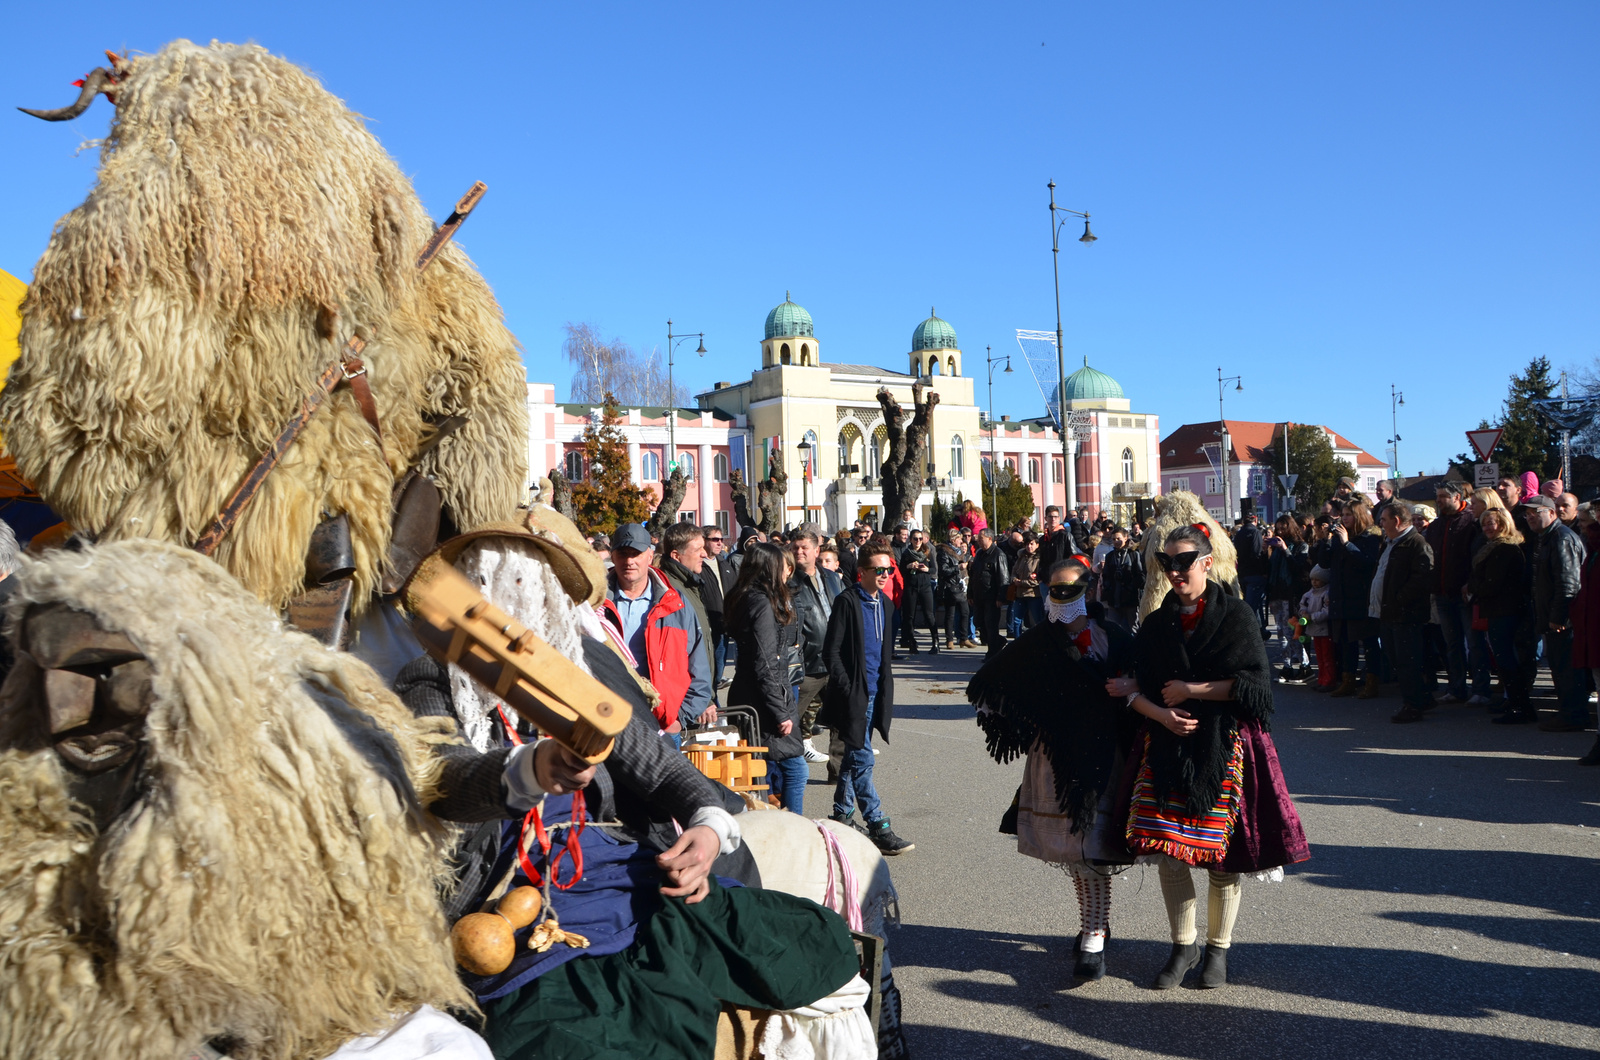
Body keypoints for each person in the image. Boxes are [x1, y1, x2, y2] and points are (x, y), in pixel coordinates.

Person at [1122, 525, 1310, 990]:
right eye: (1167, 562)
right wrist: (1163, 714)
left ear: (1207, 562)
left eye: (1184, 561)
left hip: (1224, 743)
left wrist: (1191, 690)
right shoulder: (1156, 623)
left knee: (1221, 857)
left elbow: (1255, 686)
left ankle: (1218, 951)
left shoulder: (1238, 615)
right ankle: (1182, 945)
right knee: (1170, 853)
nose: (1175, 571)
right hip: (1167, 743)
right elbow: (1140, 684)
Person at [968, 557, 1138, 981]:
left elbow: (1143, 681)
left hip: (1102, 755)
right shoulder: (1037, 641)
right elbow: (990, 683)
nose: (1062, 598)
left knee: (1091, 851)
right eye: (1055, 590)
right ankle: (1092, 926)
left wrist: (1130, 690)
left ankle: (1094, 934)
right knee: (1074, 854)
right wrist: (1027, 718)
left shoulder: (1113, 637)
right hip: (1054, 759)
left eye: (1072, 589)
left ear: (1090, 588)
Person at [820, 537, 913, 854]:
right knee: (862, 760)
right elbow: (830, 653)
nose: (886, 575)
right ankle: (877, 825)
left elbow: (884, 656)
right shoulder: (847, 602)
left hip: (876, 693)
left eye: (889, 569)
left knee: (853, 759)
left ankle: (842, 814)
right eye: (879, 570)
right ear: (862, 572)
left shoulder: (886, 605)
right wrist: (847, 689)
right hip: (854, 696)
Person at [600, 523, 713, 745]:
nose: (629, 561)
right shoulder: (594, 603)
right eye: (623, 553)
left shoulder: (675, 603)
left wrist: (679, 717)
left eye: (636, 553)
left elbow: (698, 664)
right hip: (608, 719)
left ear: (650, 556)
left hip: (662, 726)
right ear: (613, 557)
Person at [725, 542, 807, 813]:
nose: (787, 571)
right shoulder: (760, 603)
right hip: (763, 701)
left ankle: (772, 826)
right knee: (794, 768)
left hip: (751, 694)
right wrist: (780, 711)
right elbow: (766, 663)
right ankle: (792, 830)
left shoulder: (743, 595)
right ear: (770, 569)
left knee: (759, 768)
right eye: (783, 566)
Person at [1521, 495, 1590, 732]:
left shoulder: (1561, 539)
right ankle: (1569, 712)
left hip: (1562, 619)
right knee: (1560, 668)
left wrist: (1558, 617)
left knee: (1567, 669)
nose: (1530, 517)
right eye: (1527, 514)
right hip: (1554, 616)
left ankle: (1573, 715)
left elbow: (1568, 584)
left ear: (1551, 513)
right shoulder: (1548, 538)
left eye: (1535, 512)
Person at [1426, 482, 1492, 706]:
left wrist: (1470, 584)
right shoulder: (1435, 526)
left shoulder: (1471, 523)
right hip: (1442, 593)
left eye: (1444, 496)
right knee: (1451, 645)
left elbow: (1477, 558)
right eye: (1438, 496)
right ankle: (1456, 688)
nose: (1440, 500)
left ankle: (1481, 689)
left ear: (1457, 497)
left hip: (1465, 594)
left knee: (1474, 644)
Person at [1373, 500, 1437, 723]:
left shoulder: (1416, 543)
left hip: (1405, 613)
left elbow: (1422, 577)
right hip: (1388, 611)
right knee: (1396, 658)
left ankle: (1413, 705)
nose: (1380, 524)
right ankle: (1422, 697)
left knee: (1406, 661)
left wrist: (1400, 599)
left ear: (1396, 521)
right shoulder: (1391, 543)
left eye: (1383, 520)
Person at [1466, 507, 1531, 722]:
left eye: (1491, 523)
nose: (1487, 528)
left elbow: (1490, 584)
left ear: (1503, 524)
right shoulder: (1493, 548)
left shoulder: (1505, 549)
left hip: (1505, 611)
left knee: (1507, 660)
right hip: (1498, 610)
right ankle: (1516, 703)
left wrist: (1474, 586)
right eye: (1484, 524)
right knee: (1503, 660)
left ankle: (1519, 706)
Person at [788, 524, 845, 767]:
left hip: (835, 660)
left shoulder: (832, 578)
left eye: (804, 547)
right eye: (795, 548)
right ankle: (789, 775)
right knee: (791, 720)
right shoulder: (788, 582)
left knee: (841, 722)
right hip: (806, 664)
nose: (799, 552)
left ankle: (838, 773)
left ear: (816, 549)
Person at [1328, 499, 1385, 698]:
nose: (1344, 518)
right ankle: (1348, 680)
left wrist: (1347, 544)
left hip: (1360, 597)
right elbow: (1325, 563)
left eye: (1348, 515)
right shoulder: (1338, 537)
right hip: (1340, 597)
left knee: (1368, 642)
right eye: (1342, 515)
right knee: (1345, 642)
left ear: (1358, 516)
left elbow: (1366, 563)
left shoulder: (1369, 538)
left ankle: (1372, 681)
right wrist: (1328, 540)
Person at [658, 522, 716, 681]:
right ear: (676, 556)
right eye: (698, 550)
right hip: (688, 696)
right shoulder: (670, 591)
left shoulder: (690, 584)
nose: (704, 554)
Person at [1266, 517, 1311, 683]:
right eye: (1278, 529)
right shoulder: (1275, 549)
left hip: (1291, 594)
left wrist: (1285, 549)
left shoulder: (1301, 546)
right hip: (1276, 592)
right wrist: (1267, 551)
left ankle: (1304, 664)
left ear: (1291, 528)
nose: (1280, 532)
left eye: (1283, 528)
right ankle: (1287, 665)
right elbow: (1270, 571)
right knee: (1280, 631)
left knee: (1291, 631)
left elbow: (1298, 568)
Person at [701, 523, 736, 689]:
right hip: (707, 626)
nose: (719, 543)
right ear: (704, 541)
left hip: (725, 624)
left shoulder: (724, 563)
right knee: (708, 667)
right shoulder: (698, 566)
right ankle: (712, 701)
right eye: (715, 539)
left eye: (721, 539)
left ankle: (714, 694)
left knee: (719, 665)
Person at [899, 528, 940, 655]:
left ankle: (935, 642)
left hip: (925, 586)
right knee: (910, 616)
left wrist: (926, 569)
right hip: (911, 586)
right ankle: (912, 643)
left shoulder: (927, 551)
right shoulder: (906, 553)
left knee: (929, 615)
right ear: (910, 540)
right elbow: (901, 570)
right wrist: (909, 566)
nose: (918, 541)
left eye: (920, 539)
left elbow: (934, 569)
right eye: (915, 539)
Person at [971, 527, 1012, 656]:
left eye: (981, 538)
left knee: (990, 625)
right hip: (979, 596)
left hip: (991, 597)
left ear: (989, 539)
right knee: (979, 623)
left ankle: (992, 653)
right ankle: (999, 642)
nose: (978, 541)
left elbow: (1003, 577)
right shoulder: (979, 554)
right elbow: (973, 575)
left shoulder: (998, 554)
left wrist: (1001, 597)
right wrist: (970, 594)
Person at [1100, 527, 1145, 633]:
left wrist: (1130, 586)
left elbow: (1140, 575)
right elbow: (1106, 575)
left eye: (1118, 539)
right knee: (1112, 629)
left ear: (1125, 538)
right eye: (1114, 539)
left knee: (1134, 629)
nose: (1116, 542)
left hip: (1130, 600)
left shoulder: (1134, 554)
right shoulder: (1110, 556)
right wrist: (1108, 588)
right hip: (1113, 599)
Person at [937, 528, 976, 648]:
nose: (961, 540)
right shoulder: (944, 552)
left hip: (961, 585)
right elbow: (943, 570)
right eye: (959, 538)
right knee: (950, 614)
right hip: (950, 586)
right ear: (953, 540)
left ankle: (963, 638)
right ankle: (949, 639)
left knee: (965, 612)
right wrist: (957, 568)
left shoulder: (960, 551)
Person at [1233, 513, 1269, 638]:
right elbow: (1256, 553)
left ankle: (1261, 630)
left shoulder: (1238, 533)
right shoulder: (1255, 532)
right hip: (1254, 573)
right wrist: (1263, 570)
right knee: (1252, 606)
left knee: (1255, 604)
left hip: (1242, 573)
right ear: (1256, 520)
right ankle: (1251, 633)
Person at [1301, 565, 1335, 690]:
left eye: (1317, 580)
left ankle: (1329, 680)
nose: (1314, 582)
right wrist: (1303, 612)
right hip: (1314, 629)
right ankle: (1321, 679)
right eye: (1312, 579)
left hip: (1324, 629)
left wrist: (1313, 617)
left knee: (1327, 656)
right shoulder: (1309, 593)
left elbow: (1327, 611)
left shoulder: (1326, 593)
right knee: (1320, 656)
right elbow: (1302, 604)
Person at [1009, 531, 1045, 634]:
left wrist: (1023, 583)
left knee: (1038, 620)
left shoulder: (1039, 559)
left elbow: (1038, 579)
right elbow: (1014, 571)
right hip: (1020, 594)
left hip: (1033, 594)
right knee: (1017, 621)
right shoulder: (1021, 557)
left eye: (1032, 544)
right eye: (1027, 544)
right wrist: (1015, 579)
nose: (1029, 547)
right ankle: (1017, 643)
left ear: (1037, 545)